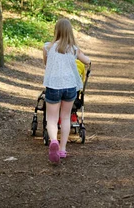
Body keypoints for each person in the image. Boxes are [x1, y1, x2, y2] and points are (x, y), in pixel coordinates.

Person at [42, 18, 91, 163]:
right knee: (65, 117)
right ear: (70, 32)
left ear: (56, 31)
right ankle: (62, 149)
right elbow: (87, 61)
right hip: (70, 87)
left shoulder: (47, 47)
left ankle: (53, 141)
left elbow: (46, 64)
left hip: (53, 85)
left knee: (51, 118)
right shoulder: (74, 49)